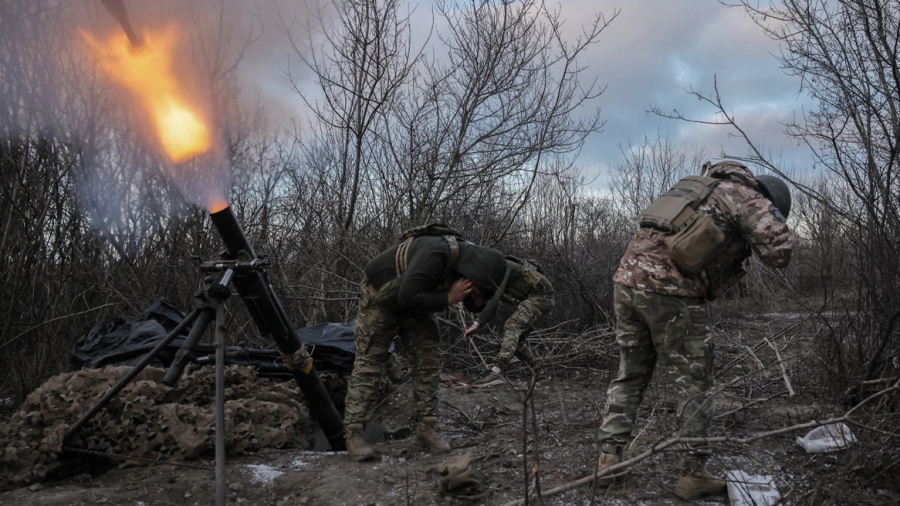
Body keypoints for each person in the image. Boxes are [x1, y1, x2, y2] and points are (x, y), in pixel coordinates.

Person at [596, 161, 795, 500]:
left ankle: (608, 460)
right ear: (768, 196)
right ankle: (692, 474)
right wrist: (769, 223)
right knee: (694, 384)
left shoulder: (692, 188)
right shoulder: (745, 195)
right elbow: (779, 253)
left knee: (630, 375)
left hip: (626, 284)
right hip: (670, 293)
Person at [343, 232, 508, 462]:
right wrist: (449, 297)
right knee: (371, 359)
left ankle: (426, 428)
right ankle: (354, 433)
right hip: (381, 292)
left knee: (428, 359)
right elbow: (407, 295)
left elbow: (467, 302)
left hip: (415, 298)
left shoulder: (466, 264)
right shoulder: (438, 253)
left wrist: (475, 298)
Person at [462, 256, 555, 384]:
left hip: (543, 296)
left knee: (512, 325)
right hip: (535, 299)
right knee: (516, 342)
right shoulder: (493, 276)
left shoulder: (504, 266)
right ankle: (540, 373)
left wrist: (478, 323)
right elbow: (490, 301)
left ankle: (496, 371)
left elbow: (496, 297)